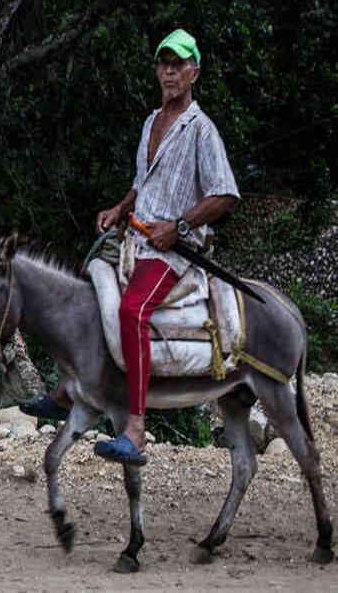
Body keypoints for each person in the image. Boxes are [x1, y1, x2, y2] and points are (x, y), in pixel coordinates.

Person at [23, 29, 240, 466]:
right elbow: (144, 184)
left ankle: (136, 430)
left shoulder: (201, 130)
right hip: (135, 236)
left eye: (179, 64)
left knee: (131, 311)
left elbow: (225, 194)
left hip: (170, 249)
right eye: (164, 63)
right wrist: (119, 208)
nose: (170, 71)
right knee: (85, 290)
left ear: (194, 72)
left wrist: (178, 227)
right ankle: (67, 390)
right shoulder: (151, 121)